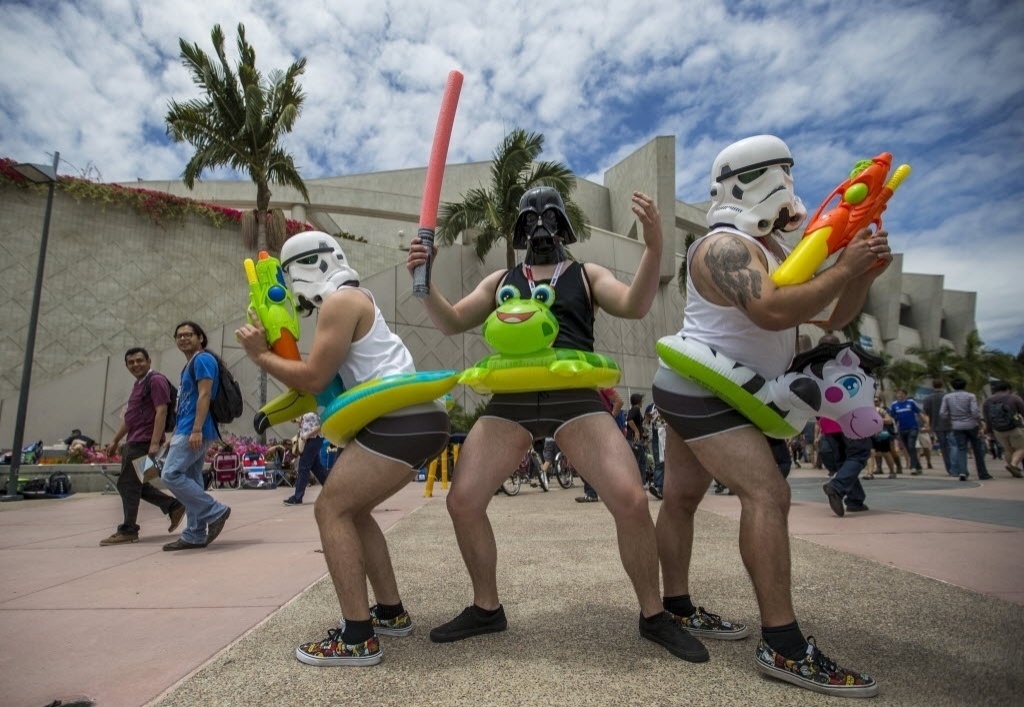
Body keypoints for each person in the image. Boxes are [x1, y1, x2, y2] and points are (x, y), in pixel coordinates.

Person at [406, 186, 709, 662]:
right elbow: (451, 321)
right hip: (511, 400)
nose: (540, 227)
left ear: (564, 224)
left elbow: (634, 304)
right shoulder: (501, 279)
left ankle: (654, 615)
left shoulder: (586, 274)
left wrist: (653, 247)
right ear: (521, 228)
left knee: (630, 500)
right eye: (530, 219)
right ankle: (486, 608)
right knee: (462, 501)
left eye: (549, 217)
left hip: (575, 395)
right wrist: (424, 280)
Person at [653, 136, 887, 697]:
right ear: (749, 181)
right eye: (778, 174)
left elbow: (826, 317)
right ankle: (782, 645)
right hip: (699, 386)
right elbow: (772, 309)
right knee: (768, 495)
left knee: (682, 499)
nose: (787, 186)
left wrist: (861, 275)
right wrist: (843, 266)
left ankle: (678, 607)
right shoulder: (721, 248)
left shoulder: (775, 250)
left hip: (729, 390)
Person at [237, 231, 450, 667]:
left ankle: (357, 638)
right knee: (354, 511)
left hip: (398, 420)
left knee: (329, 510)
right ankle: (389, 612)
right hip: (416, 420)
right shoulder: (355, 301)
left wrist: (259, 355)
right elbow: (319, 384)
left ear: (309, 267)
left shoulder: (339, 303)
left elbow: (313, 380)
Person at [99, 347, 186, 545]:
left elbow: (161, 410)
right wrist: (115, 440)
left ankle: (129, 529)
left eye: (139, 360)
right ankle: (173, 505)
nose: (135, 365)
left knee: (128, 483)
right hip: (133, 440)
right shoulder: (139, 384)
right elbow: (130, 418)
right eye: (131, 362)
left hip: (144, 442)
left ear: (148, 361)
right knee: (134, 484)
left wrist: (155, 443)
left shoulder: (155, 380)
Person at [161, 321, 232, 551]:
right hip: (186, 428)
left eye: (189, 335)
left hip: (195, 429)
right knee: (191, 481)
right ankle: (194, 533)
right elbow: (186, 402)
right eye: (179, 336)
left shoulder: (202, 360)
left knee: (170, 474)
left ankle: (215, 511)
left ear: (200, 338)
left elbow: (204, 395)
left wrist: (196, 430)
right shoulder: (191, 364)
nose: (183, 339)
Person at [577, 387, 623, 503]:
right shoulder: (581, 385)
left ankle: (593, 492)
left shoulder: (602, 383)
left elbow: (619, 401)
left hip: (600, 425)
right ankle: (592, 492)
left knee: (600, 460)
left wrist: (610, 418)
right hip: (586, 425)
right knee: (586, 460)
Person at [940, 378, 992, 481]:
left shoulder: (947, 397)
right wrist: (980, 424)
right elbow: (974, 412)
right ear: (965, 385)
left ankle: (962, 472)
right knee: (977, 449)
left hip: (957, 426)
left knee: (961, 449)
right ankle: (983, 473)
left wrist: (950, 421)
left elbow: (942, 413)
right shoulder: (970, 396)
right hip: (971, 425)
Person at [283, 411, 329, 505]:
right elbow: (304, 424)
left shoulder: (318, 408)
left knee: (303, 467)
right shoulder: (306, 406)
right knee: (316, 468)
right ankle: (333, 489)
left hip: (314, 438)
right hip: (306, 439)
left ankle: (297, 497)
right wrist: (299, 422)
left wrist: (308, 434)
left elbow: (323, 424)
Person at [982, 381, 1024, 477]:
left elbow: (987, 418)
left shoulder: (988, 401)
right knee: (1022, 448)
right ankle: (1013, 465)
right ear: (1008, 389)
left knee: (1008, 450)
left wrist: (989, 431)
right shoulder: (1014, 398)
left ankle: (1013, 469)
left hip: (998, 430)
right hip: (1014, 428)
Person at [890, 389, 926, 474]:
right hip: (902, 429)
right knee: (908, 448)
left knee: (911, 446)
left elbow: (919, 413)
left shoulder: (911, 403)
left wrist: (926, 423)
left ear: (905, 395)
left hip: (913, 428)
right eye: (898, 394)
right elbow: (892, 417)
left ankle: (913, 467)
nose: (900, 395)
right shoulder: (894, 405)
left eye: (902, 394)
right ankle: (918, 466)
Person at [921, 380, 952, 473]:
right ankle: (957, 466)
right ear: (942, 385)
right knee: (953, 445)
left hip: (936, 424)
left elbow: (926, 411)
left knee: (944, 447)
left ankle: (949, 468)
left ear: (933, 386)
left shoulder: (928, 398)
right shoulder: (947, 396)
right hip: (950, 424)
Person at [869, 398, 898, 479]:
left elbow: (889, 420)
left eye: (876, 401)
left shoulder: (880, 410)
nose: (874, 403)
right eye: (873, 401)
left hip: (881, 435)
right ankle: (870, 473)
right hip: (870, 435)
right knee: (871, 453)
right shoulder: (865, 411)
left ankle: (892, 471)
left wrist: (878, 420)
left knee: (886, 453)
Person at [626, 393, 648, 487]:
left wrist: (646, 419)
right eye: (641, 400)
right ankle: (637, 482)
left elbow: (639, 423)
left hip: (636, 439)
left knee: (642, 460)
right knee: (637, 460)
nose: (642, 402)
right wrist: (636, 431)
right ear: (638, 401)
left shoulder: (636, 411)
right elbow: (629, 419)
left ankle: (642, 481)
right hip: (634, 439)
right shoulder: (635, 409)